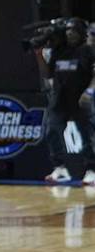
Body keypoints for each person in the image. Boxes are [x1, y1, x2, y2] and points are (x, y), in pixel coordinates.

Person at [40, 19, 95, 185]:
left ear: (82, 33)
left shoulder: (87, 51)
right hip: (60, 100)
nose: (70, 33)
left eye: (74, 31)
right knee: (50, 131)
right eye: (68, 31)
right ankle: (60, 167)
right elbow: (47, 75)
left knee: (86, 135)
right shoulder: (59, 51)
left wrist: (89, 92)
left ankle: (92, 170)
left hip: (80, 99)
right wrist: (38, 54)